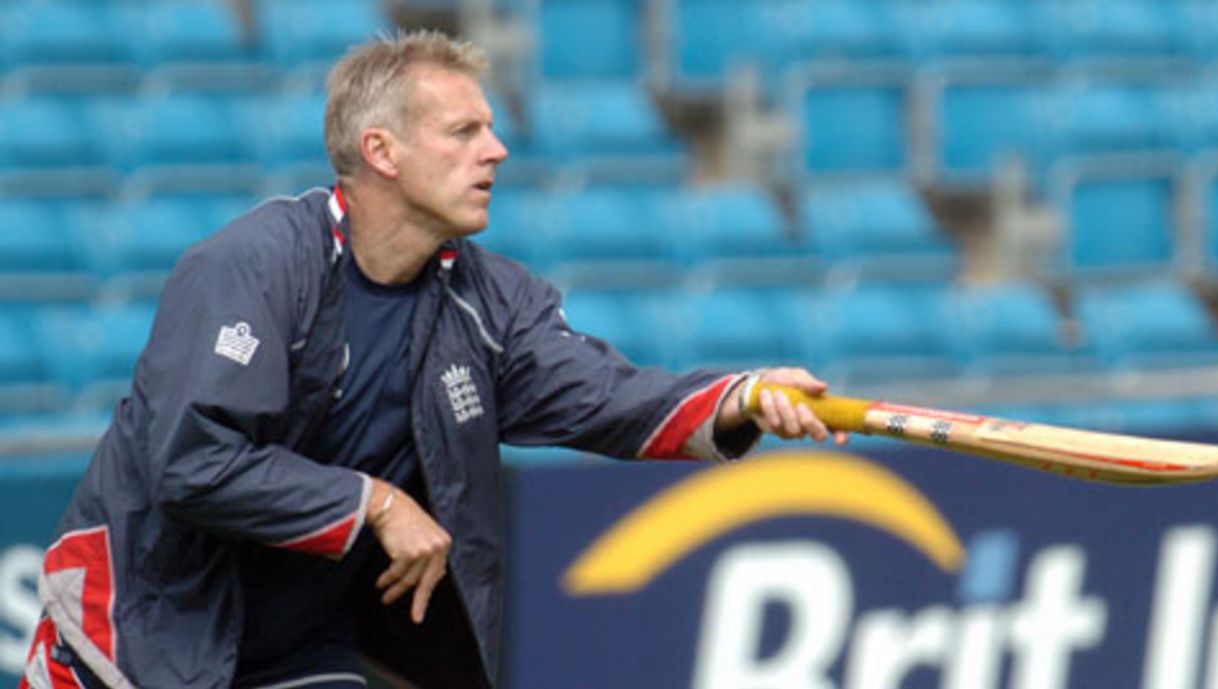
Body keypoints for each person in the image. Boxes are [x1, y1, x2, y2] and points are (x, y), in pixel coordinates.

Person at [20, 30, 847, 689]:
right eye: (465, 131)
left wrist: (745, 394)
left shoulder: (490, 301)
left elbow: (608, 394)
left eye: (489, 128)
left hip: (301, 649)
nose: (498, 151)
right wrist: (375, 503)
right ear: (382, 151)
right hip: (133, 637)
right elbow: (192, 463)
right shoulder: (249, 267)